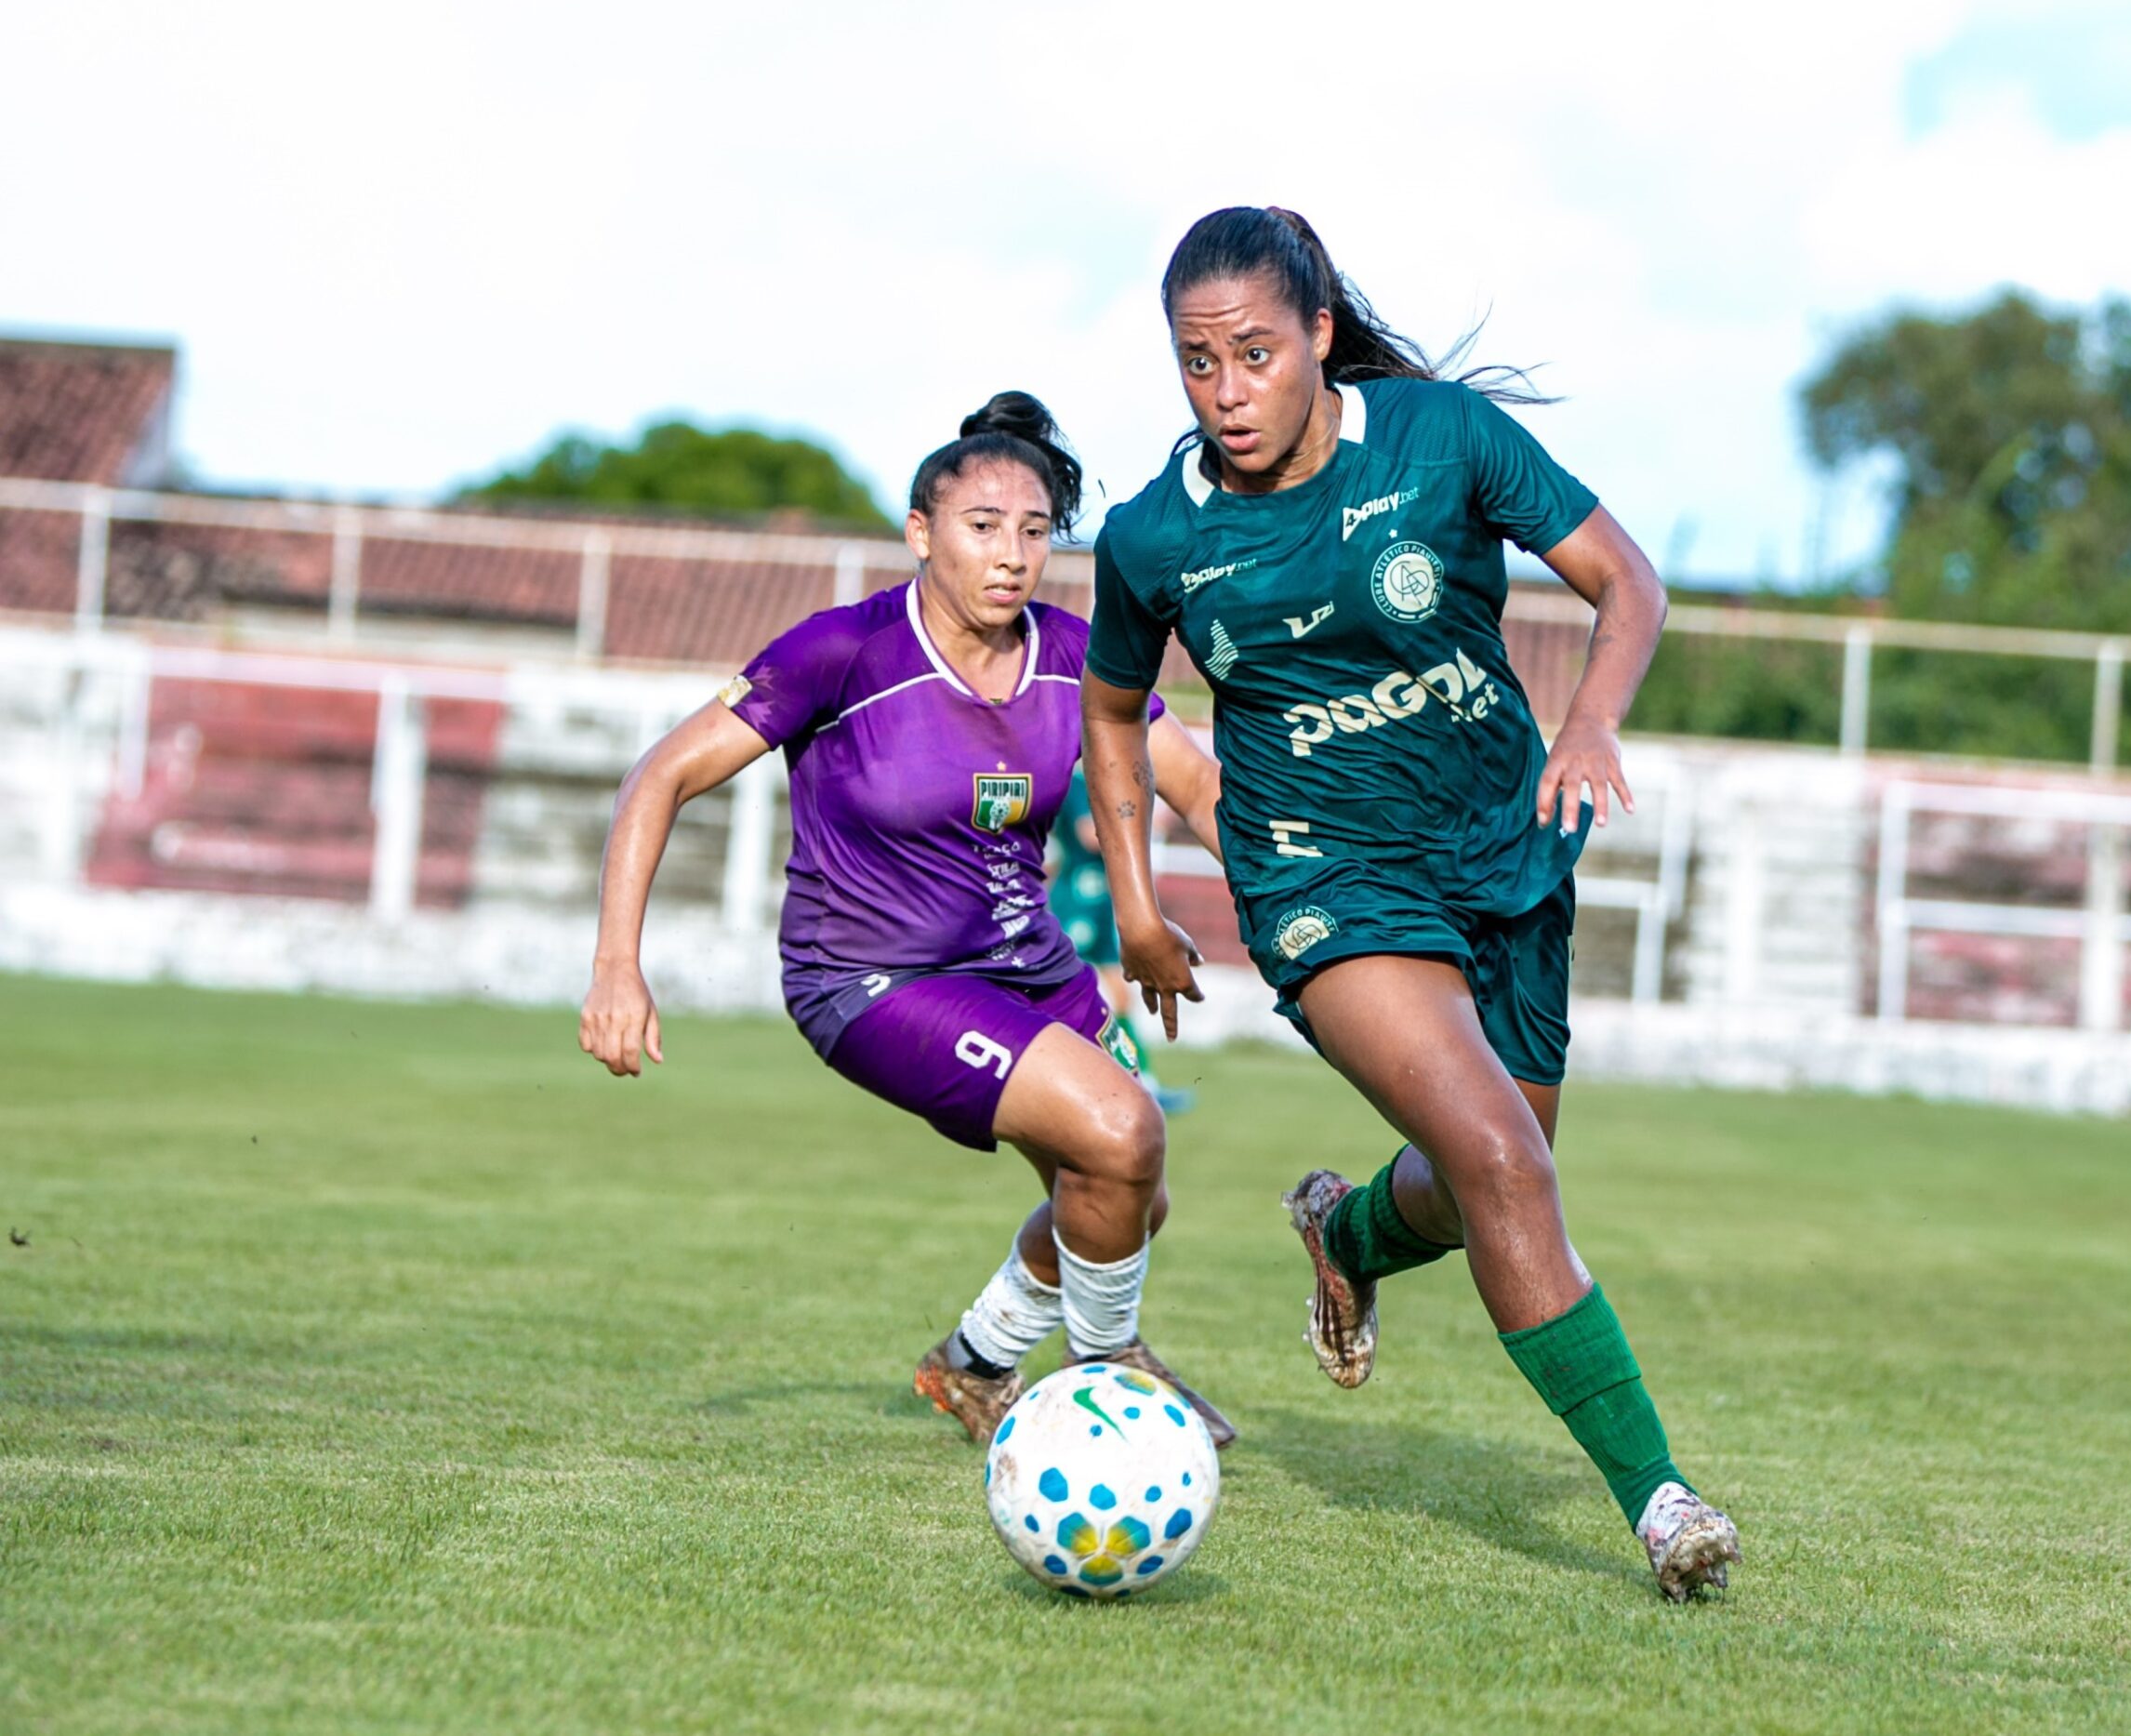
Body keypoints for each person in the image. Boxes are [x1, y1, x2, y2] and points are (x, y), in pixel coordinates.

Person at [1079, 207, 1736, 1597]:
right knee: (1507, 1159)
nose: (1227, 391)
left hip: (1508, 842)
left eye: (1255, 353)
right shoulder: (1156, 536)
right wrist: (1139, 901)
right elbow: (1112, 710)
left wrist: (1591, 721)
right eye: (1197, 363)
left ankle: (1348, 1229)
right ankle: (1663, 1502)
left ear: (1320, 334)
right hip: (1321, 875)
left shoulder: (1439, 438)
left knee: (1487, 1173)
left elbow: (1628, 581)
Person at [580, 391, 1235, 1449]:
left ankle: (974, 1363)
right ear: (922, 534)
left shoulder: (1076, 656)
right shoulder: (841, 654)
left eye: (1034, 531)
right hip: (870, 981)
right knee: (1123, 1131)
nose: (1012, 555)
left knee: (1121, 1196)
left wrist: (1310, 904)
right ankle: (1112, 1377)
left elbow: (1196, 792)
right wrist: (617, 965)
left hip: (1029, 968)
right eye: (983, 528)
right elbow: (659, 778)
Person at [1044, 769, 1194, 1114]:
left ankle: (1145, 1083)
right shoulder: (1080, 781)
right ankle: (1052, 1077)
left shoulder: (1104, 779)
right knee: (1061, 989)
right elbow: (1089, 836)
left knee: (1122, 995)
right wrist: (1142, 825)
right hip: (1078, 898)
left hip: (1102, 899)